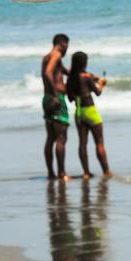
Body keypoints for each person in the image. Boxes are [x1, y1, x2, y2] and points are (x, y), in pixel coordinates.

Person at [66, 51, 111, 178]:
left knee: (82, 143)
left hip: (79, 112)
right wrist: (101, 84)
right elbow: (97, 92)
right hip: (90, 111)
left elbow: (70, 98)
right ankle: (106, 171)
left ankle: (86, 172)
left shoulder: (70, 78)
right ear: (84, 63)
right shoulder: (86, 77)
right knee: (99, 142)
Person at [41, 33, 70, 180]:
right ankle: (61, 173)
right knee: (61, 138)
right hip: (55, 97)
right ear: (63, 44)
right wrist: (55, 94)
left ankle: (51, 173)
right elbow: (48, 73)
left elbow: (65, 71)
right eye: (67, 46)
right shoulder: (57, 55)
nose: (67, 50)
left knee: (51, 138)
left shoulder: (47, 56)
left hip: (46, 98)